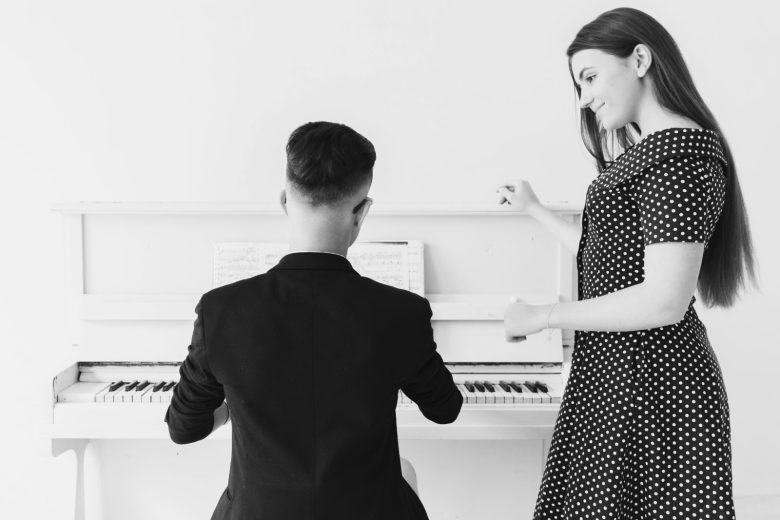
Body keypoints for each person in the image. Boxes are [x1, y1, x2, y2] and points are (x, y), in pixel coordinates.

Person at [497, 7, 756, 520]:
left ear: (640, 58)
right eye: (579, 86)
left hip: (654, 389)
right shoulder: (654, 153)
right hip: (620, 378)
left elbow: (663, 300)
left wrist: (545, 316)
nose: (586, 98)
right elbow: (608, 258)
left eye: (590, 77)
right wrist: (535, 210)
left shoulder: (679, 157)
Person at [165, 121, 462, 520]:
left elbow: (184, 429)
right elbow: (445, 409)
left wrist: (235, 405)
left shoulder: (221, 309)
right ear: (362, 212)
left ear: (285, 200)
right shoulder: (401, 312)